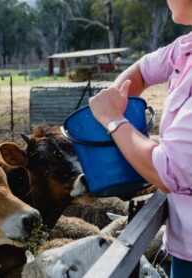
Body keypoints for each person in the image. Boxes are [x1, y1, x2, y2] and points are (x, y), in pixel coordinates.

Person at [88, 1, 192, 277]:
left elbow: (166, 171)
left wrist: (114, 121)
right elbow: (143, 70)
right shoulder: (185, 49)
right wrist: (117, 101)